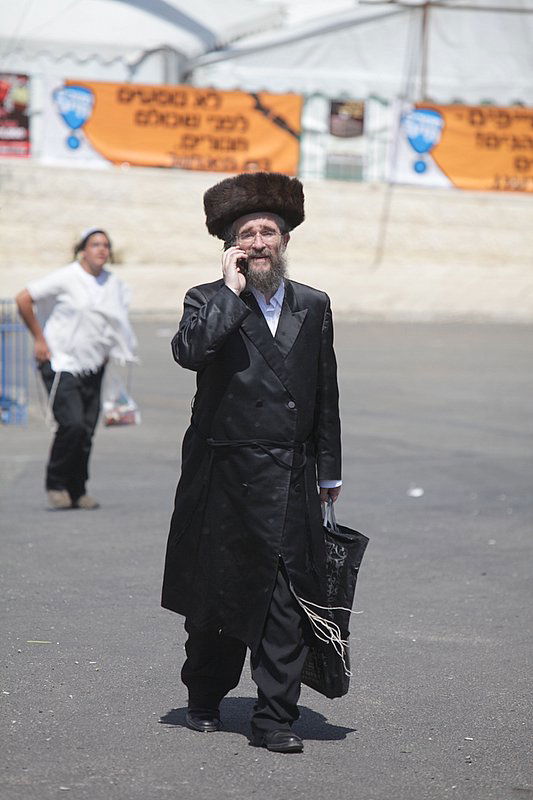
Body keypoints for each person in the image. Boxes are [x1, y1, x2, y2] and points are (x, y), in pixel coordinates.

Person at [161, 172, 342, 754]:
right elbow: (190, 353)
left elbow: (325, 390)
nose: (259, 242)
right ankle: (204, 696)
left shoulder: (313, 303)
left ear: (285, 240)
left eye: (268, 232)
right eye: (248, 233)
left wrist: (329, 469)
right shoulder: (206, 298)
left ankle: (274, 719)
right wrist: (228, 293)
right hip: (222, 474)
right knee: (217, 593)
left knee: (286, 598)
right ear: (231, 245)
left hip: (289, 473)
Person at [15, 228, 137, 510]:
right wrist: (39, 339)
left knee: (87, 430)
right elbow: (23, 298)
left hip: (93, 365)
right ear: (83, 250)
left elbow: (113, 320)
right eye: (95, 244)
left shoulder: (112, 283)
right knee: (71, 424)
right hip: (61, 363)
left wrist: (111, 350)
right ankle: (56, 484)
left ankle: (78, 489)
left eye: (106, 245)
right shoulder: (66, 277)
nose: (101, 249)